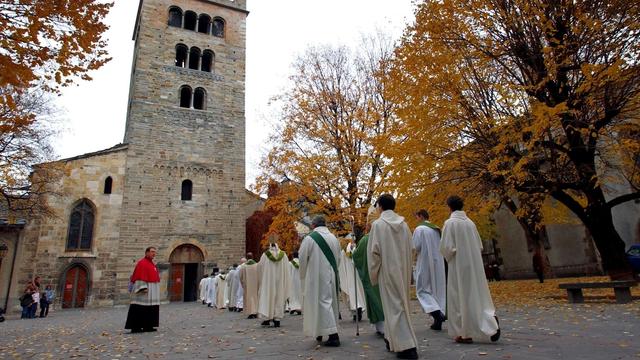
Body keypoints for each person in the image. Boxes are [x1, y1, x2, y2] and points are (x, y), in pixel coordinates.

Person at [440, 195, 500, 344]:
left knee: (459, 297)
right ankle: (489, 321)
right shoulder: (470, 223)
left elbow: (446, 248)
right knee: (476, 295)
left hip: (459, 266)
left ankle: (464, 332)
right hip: (475, 266)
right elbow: (479, 246)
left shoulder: (450, 223)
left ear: (449, 207)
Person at [368, 194, 419, 359]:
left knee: (394, 307)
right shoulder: (404, 225)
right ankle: (391, 339)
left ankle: (407, 346)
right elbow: (412, 249)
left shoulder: (378, 225)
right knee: (399, 305)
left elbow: (374, 253)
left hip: (387, 271)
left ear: (381, 206)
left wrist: (373, 274)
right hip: (402, 270)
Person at [352, 206, 385, 337]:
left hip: (373, 276)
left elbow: (357, 257)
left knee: (375, 298)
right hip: (388, 275)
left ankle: (380, 326)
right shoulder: (387, 235)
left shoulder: (366, 240)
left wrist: (354, 251)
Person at [412, 209, 447, 331]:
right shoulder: (436, 229)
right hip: (438, 262)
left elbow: (416, 246)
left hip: (425, 262)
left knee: (422, 289)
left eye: (416, 217)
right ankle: (438, 321)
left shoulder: (419, 229)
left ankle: (437, 313)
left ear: (420, 216)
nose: (416, 220)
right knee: (437, 290)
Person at [125, 247, 161, 333]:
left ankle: (148, 326)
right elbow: (139, 275)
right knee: (140, 307)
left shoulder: (151, 264)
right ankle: (136, 327)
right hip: (144, 290)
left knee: (150, 308)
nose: (154, 254)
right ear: (146, 253)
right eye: (152, 252)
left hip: (152, 290)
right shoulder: (142, 263)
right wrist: (143, 287)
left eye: (154, 252)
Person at [257, 241, 290, 328]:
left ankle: (267, 318)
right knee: (279, 297)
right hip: (280, 281)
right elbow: (287, 269)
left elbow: (260, 267)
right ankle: (277, 319)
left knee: (268, 297)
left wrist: (262, 279)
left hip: (268, 281)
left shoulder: (265, 255)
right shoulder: (284, 255)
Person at [339, 239, 365, 322]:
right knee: (352, 293)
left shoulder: (351, 248)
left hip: (352, 274)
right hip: (348, 274)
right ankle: (355, 310)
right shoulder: (344, 251)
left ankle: (357, 309)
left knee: (354, 292)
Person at [239, 253, 259, 319]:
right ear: (252, 257)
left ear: (247, 258)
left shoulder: (243, 266)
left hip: (247, 285)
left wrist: (243, 284)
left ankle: (250, 313)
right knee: (256, 297)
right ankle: (256, 312)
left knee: (248, 298)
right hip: (256, 285)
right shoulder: (257, 265)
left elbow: (241, 277)